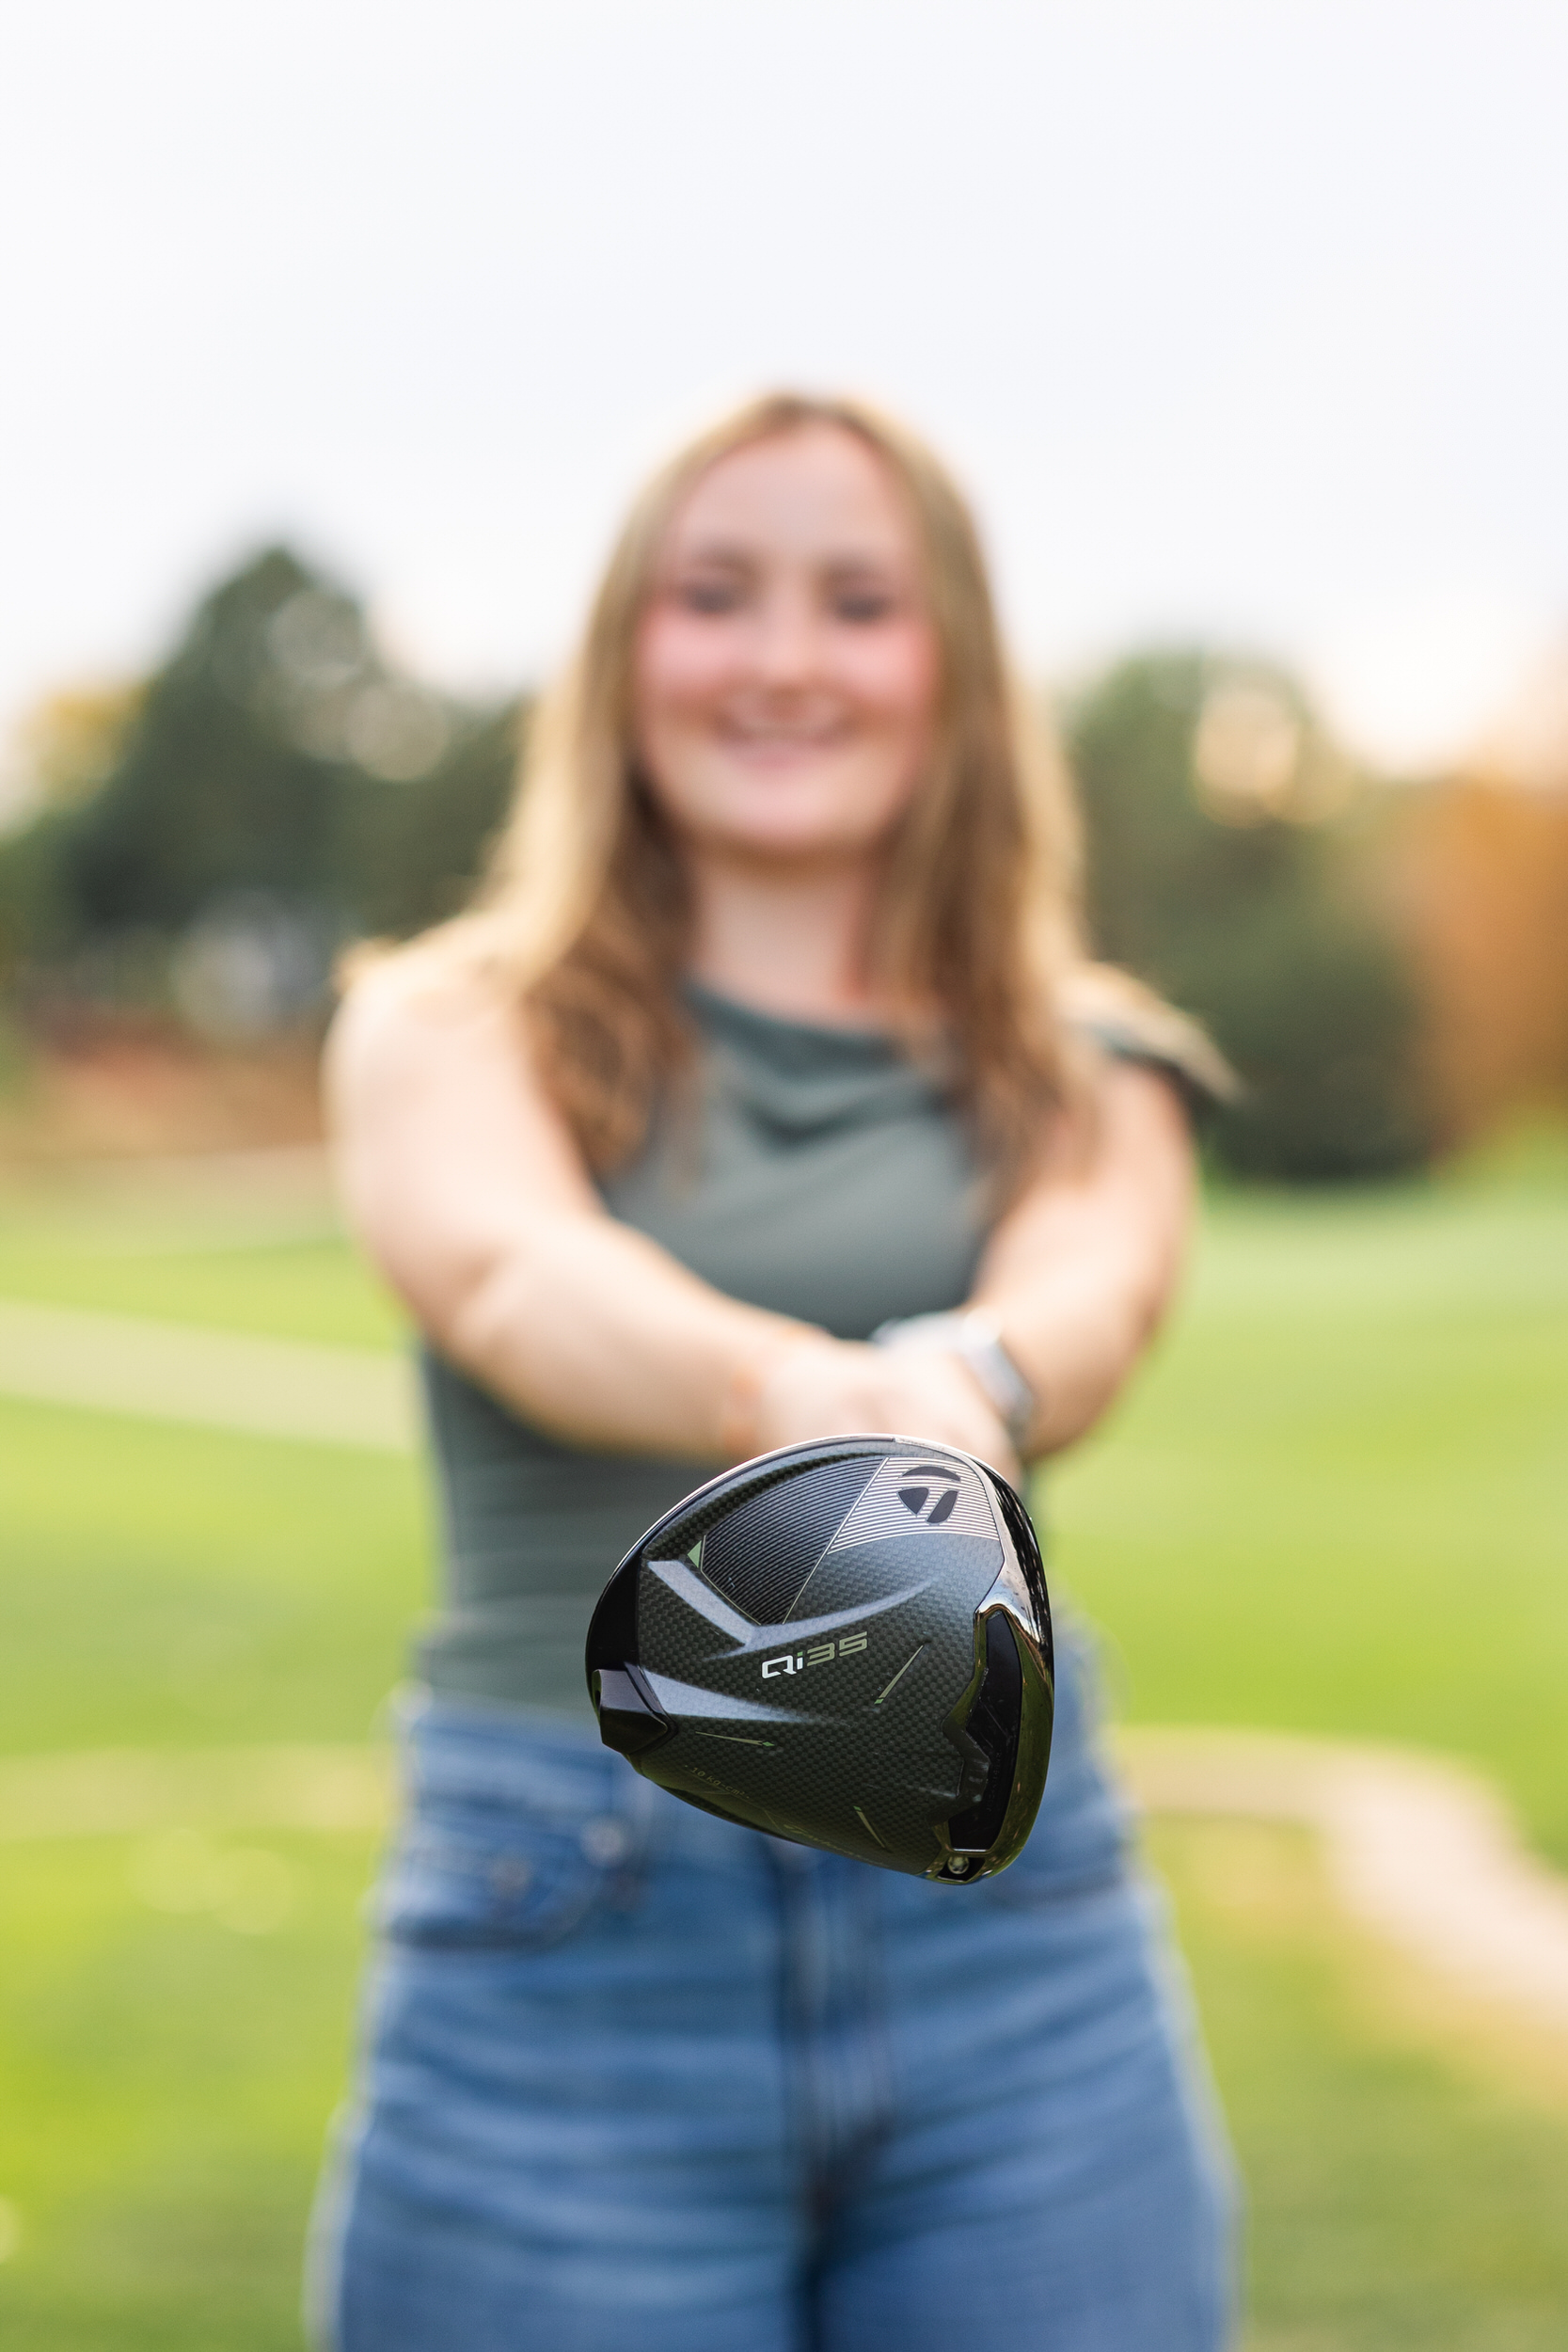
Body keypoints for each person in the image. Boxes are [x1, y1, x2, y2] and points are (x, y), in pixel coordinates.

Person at [308, 392, 1237, 2351]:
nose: (785, 658)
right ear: (624, 651)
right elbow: (508, 1273)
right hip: (566, 1928)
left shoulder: (1093, 1059)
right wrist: (791, 1393)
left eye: (859, 601)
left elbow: (1099, 1279)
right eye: (715, 594)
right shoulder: (448, 1019)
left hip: (1018, 1934)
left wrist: (969, 1374)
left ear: (954, 667)